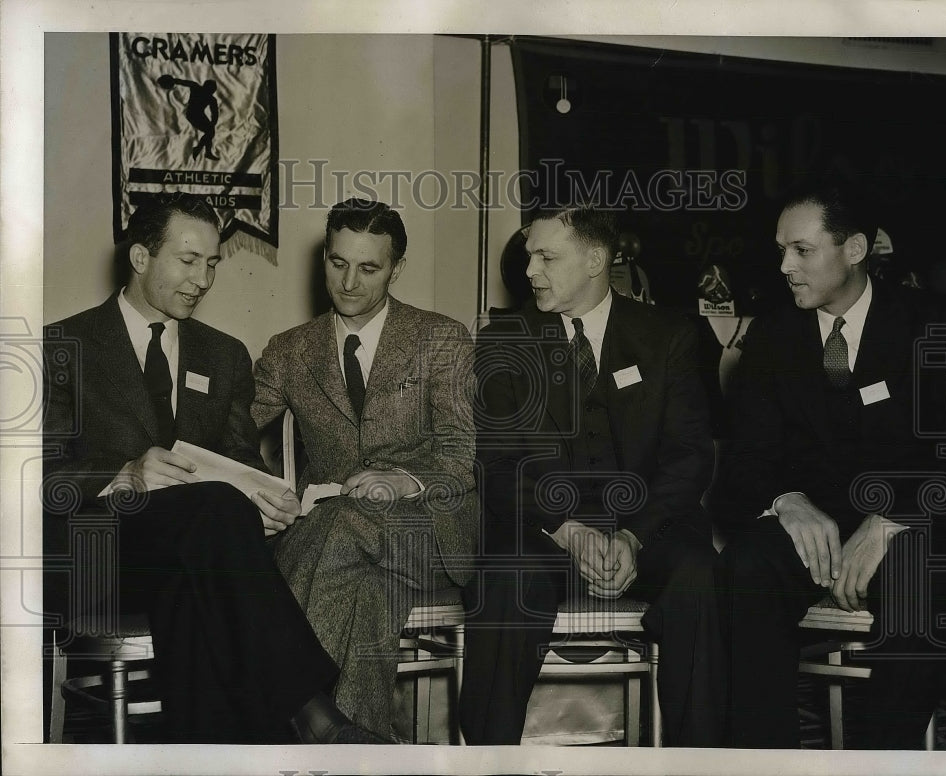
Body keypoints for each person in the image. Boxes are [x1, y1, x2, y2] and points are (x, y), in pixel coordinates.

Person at [43, 193, 381, 744]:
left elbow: (240, 461)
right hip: (97, 556)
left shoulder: (223, 355)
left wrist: (266, 499)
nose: (202, 278)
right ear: (140, 258)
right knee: (215, 523)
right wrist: (123, 473)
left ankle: (209, 756)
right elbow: (33, 476)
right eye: (188, 260)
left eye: (213, 263)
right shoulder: (63, 345)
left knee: (202, 565)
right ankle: (313, 712)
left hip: (193, 554)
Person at [712, 180, 946, 749]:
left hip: (909, 529)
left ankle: (881, 759)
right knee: (747, 566)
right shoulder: (771, 337)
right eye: (781, 250)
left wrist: (892, 518)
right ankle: (767, 760)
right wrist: (786, 501)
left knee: (916, 576)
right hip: (815, 533)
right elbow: (744, 467)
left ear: (855, 250)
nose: (784, 266)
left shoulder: (937, 325)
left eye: (801, 250)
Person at [459, 204, 726, 746]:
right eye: (530, 256)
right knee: (503, 582)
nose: (530, 270)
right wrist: (569, 530)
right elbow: (498, 464)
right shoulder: (504, 342)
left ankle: (699, 761)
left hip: (650, 530)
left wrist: (633, 535)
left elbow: (688, 458)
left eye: (546, 256)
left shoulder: (670, 335)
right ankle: (489, 760)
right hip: (543, 532)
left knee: (700, 578)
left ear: (596, 260)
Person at [251, 198, 478, 741]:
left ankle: (294, 717)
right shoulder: (289, 350)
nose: (349, 282)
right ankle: (353, 741)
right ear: (323, 258)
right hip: (344, 548)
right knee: (371, 590)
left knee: (339, 524)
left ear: (396, 269)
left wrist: (404, 480)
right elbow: (232, 431)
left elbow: (460, 457)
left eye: (369, 268)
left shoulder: (441, 339)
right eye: (337, 263)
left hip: (426, 530)